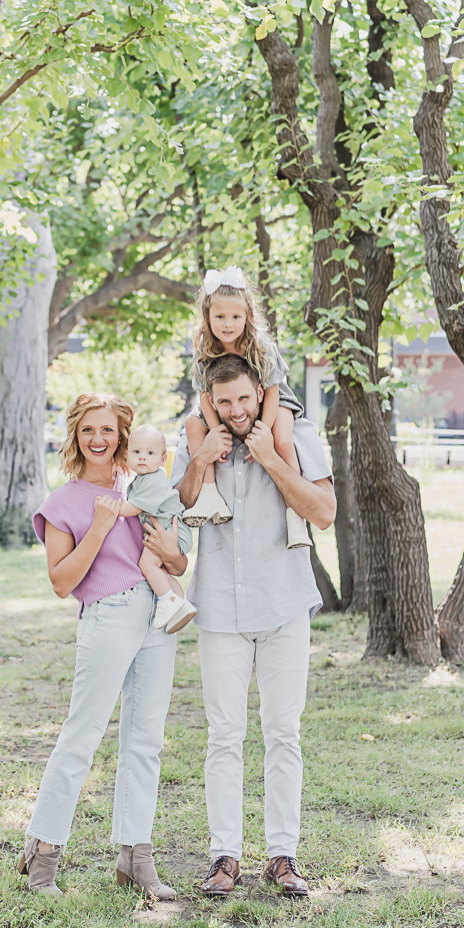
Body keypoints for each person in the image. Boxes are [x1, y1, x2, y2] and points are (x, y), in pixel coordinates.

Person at [171, 354, 336, 899]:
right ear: (210, 403)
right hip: (219, 609)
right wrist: (199, 460)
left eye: (245, 398)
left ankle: (283, 855)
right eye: (225, 402)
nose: (237, 410)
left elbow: (324, 511)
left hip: (284, 604)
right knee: (224, 735)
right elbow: (181, 505)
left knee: (283, 734)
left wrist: (269, 458)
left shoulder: (296, 433)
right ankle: (225, 856)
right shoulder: (196, 440)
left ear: (259, 392)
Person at [18, 392, 187, 901]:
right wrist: (98, 525)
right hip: (108, 616)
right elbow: (61, 581)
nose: (99, 439)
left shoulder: (142, 483)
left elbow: (175, 563)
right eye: (89, 430)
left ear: (124, 436)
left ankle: (136, 856)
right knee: (82, 736)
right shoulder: (62, 501)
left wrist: (174, 557)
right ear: (75, 435)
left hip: (158, 614)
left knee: (146, 738)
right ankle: (43, 857)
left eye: (109, 431)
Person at [183, 266, 310, 549]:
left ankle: (295, 513)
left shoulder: (259, 345)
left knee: (281, 439)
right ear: (208, 317)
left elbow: (274, 390)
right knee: (192, 424)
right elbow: (204, 394)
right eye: (220, 317)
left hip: (273, 402)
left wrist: (263, 429)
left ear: (247, 316)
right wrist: (216, 430)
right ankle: (209, 493)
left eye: (235, 317)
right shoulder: (204, 347)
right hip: (223, 404)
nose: (228, 324)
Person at [114, 423, 197, 634]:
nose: (142, 457)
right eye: (136, 452)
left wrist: (112, 508)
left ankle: (166, 600)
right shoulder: (142, 479)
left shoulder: (153, 481)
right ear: (127, 455)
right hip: (165, 529)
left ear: (162, 460)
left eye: (150, 453)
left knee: (146, 564)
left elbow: (132, 508)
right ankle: (180, 601)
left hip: (169, 531)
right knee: (158, 570)